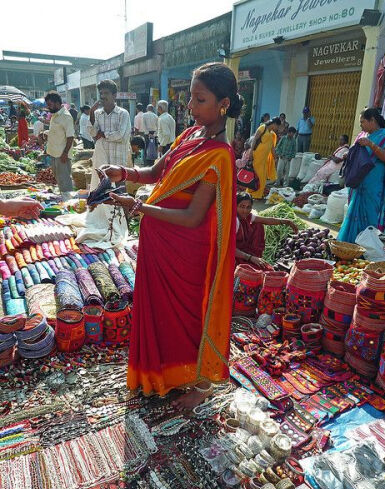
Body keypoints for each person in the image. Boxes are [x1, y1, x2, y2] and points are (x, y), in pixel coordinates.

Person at [98, 62, 242, 409]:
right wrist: (124, 171)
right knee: (159, 316)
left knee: (187, 321)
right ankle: (158, 376)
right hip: (159, 246)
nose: (190, 107)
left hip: (186, 254)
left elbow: (193, 218)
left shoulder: (220, 156)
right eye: (191, 98)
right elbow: (154, 171)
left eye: (200, 99)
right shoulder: (190, 135)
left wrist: (139, 207)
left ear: (223, 103)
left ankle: (199, 384)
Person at [77, 79, 131, 248]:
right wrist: (92, 113)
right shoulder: (98, 114)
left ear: (114, 96)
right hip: (102, 157)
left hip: (118, 159)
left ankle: (124, 222)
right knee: (101, 190)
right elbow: (92, 133)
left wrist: (103, 134)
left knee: (119, 190)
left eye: (106, 94)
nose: (103, 97)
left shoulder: (123, 114)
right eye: (101, 94)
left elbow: (121, 135)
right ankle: (105, 220)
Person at [338, 108, 385, 243]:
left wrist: (371, 144)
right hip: (359, 182)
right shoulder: (362, 135)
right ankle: (350, 245)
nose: (361, 125)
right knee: (354, 213)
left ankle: (366, 246)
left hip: (373, 183)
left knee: (369, 214)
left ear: (372, 120)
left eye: (363, 122)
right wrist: (349, 155)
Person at [236, 192, 298, 267]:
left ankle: (254, 255)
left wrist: (286, 221)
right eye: (242, 206)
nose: (245, 210)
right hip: (231, 254)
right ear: (235, 206)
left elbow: (266, 220)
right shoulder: (234, 222)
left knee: (258, 224)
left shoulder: (247, 216)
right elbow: (228, 248)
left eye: (248, 207)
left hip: (242, 251)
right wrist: (250, 258)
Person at [43, 91, 75, 199]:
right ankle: (65, 201)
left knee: (65, 181)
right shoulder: (55, 115)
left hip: (62, 155)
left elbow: (70, 137)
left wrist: (65, 153)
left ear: (57, 103)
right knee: (60, 180)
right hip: (54, 153)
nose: (48, 107)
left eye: (50, 105)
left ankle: (69, 203)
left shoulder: (66, 116)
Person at [248, 117, 281, 199]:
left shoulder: (272, 134)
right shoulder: (263, 128)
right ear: (274, 124)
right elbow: (254, 139)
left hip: (264, 159)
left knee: (262, 178)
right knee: (256, 176)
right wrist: (251, 152)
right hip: (257, 156)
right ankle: (253, 194)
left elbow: (272, 147)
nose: (278, 128)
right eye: (278, 126)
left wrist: (275, 157)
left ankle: (258, 195)